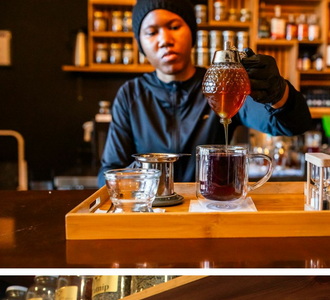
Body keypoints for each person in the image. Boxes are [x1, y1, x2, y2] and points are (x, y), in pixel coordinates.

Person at [97, 0, 313, 184]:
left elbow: (294, 124)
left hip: (212, 209)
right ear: (141, 45)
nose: (165, 40)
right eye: (152, 32)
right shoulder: (130, 95)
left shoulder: (222, 84)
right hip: (153, 216)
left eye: (174, 27)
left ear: (192, 33)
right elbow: (110, 172)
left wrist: (277, 92)